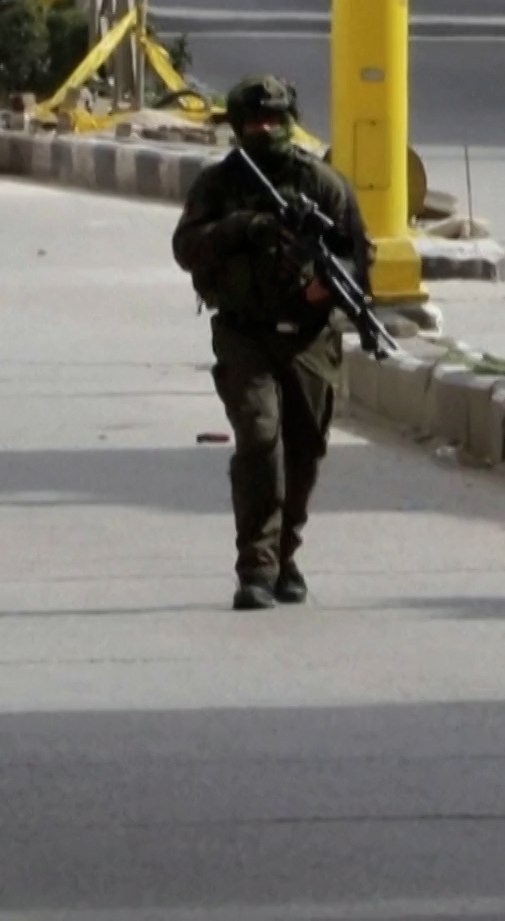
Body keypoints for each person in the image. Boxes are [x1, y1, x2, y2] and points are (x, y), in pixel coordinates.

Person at [171, 75, 373, 611]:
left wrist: (323, 285)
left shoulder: (324, 184)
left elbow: (357, 257)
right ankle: (255, 569)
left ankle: (285, 555)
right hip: (244, 333)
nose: (267, 129)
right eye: (256, 121)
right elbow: (186, 247)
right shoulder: (219, 185)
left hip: (308, 336)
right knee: (261, 440)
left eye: (276, 120)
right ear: (239, 127)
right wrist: (243, 228)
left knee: (304, 451)